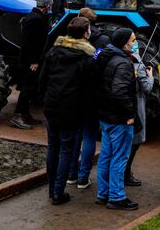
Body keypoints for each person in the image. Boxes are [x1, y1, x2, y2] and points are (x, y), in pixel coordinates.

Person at [38, 17, 96, 205]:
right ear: (86, 33)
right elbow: (89, 89)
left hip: (52, 105)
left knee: (53, 147)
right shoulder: (87, 58)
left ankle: (51, 189)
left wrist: (45, 100)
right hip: (71, 109)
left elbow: (43, 79)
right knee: (65, 149)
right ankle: (58, 192)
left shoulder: (53, 52)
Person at [66, 8, 111, 187]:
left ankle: (71, 173)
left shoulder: (69, 41)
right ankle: (83, 177)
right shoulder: (103, 41)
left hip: (73, 94)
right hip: (92, 95)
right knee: (89, 135)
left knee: (75, 136)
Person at [95, 28, 139, 211]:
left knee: (106, 155)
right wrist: (129, 114)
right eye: (133, 40)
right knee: (119, 158)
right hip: (119, 118)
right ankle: (116, 196)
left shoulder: (106, 57)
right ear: (124, 43)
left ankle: (103, 193)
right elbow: (119, 92)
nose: (136, 43)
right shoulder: (123, 63)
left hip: (105, 115)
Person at [11, 0, 52, 130]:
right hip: (30, 61)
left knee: (29, 87)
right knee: (27, 88)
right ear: (47, 5)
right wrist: (34, 61)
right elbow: (32, 42)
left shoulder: (34, 17)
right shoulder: (36, 19)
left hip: (28, 59)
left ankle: (25, 113)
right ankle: (17, 115)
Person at [124, 46, 154, 186]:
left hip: (119, 106)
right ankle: (125, 172)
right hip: (136, 105)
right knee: (135, 141)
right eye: (133, 40)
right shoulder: (139, 65)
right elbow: (147, 88)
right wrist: (151, 77)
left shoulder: (114, 60)